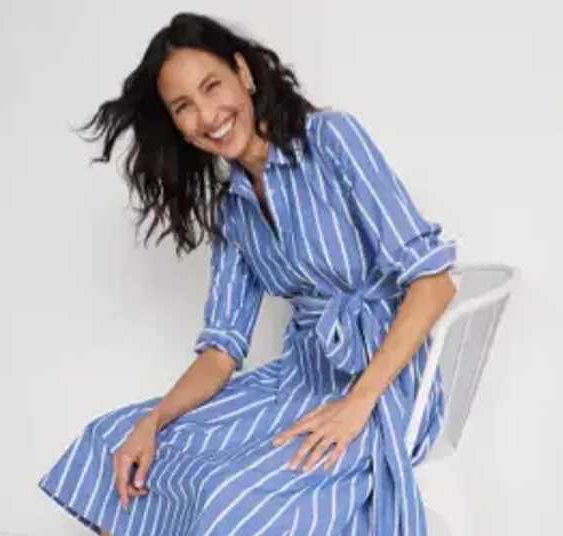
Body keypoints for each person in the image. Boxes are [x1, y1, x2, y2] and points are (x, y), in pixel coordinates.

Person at [38, 12, 459, 536]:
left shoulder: (331, 140)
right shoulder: (232, 209)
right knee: (115, 442)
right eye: (184, 107)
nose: (208, 116)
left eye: (212, 87)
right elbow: (220, 352)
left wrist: (356, 404)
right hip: (300, 377)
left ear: (245, 72)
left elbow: (435, 284)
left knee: (229, 499)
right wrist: (154, 420)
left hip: (388, 384)